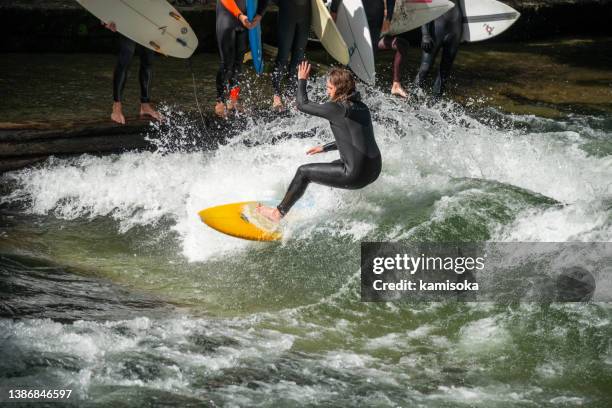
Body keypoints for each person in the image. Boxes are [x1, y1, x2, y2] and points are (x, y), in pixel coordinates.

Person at [256, 62, 382, 222]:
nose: (327, 91)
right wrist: (325, 147)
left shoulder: (336, 108)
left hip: (356, 175)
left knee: (303, 172)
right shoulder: (361, 107)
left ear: (339, 89)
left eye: (329, 88)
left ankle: (277, 214)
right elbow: (355, 139)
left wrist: (302, 80)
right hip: (374, 170)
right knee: (334, 165)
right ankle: (335, 205)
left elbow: (302, 104)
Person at [330, 0, 409, 98]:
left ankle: (362, 95)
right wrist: (333, 12)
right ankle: (342, 92)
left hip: (375, 18)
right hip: (355, 16)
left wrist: (388, 18)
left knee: (368, 58)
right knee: (352, 57)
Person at [215, 0, 269, 118]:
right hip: (227, 16)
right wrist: (239, 15)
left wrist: (260, 14)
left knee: (238, 62)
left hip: (246, 19)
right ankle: (220, 100)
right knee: (227, 63)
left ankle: (233, 99)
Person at [104, 22, 163, 125]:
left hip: (146, 17)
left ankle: (145, 105)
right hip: (127, 17)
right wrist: (105, 17)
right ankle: (116, 107)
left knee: (148, 59)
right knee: (127, 54)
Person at [415, 0, 462, 96]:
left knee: (445, 71)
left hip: (455, 29)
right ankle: (412, 98)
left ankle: (435, 103)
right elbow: (423, 6)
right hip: (436, 29)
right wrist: (425, 34)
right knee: (425, 67)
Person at [271, 0, 311, 111]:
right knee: (283, 55)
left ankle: (291, 94)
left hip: (305, 15)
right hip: (287, 13)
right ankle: (276, 95)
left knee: (298, 56)